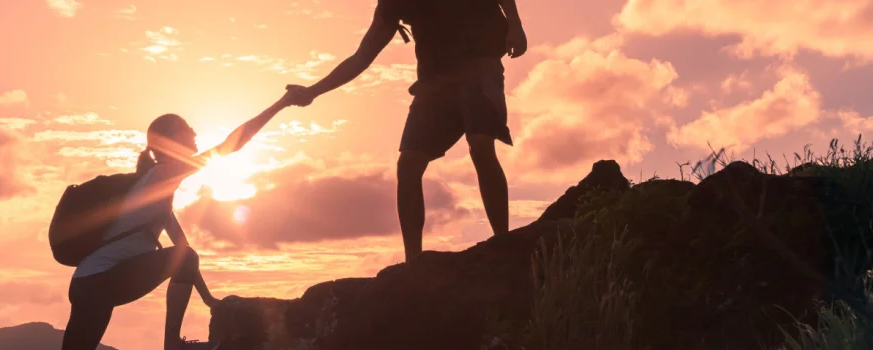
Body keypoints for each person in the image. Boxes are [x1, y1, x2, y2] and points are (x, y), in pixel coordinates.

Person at [283, 0, 528, 262]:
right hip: (433, 82)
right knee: (409, 163)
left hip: (480, 66)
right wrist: (313, 92)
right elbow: (361, 57)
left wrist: (515, 24)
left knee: (480, 143)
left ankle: (503, 243)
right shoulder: (391, 4)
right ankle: (413, 262)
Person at [61, 93, 296, 350]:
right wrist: (281, 104)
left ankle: (173, 343)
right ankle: (172, 344)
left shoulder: (156, 193)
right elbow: (230, 146)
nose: (194, 132)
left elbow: (182, 253)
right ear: (173, 138)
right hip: (99, 282)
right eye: (187, 128)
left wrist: (208, 299)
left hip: (90, 283)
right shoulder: (164, 172)